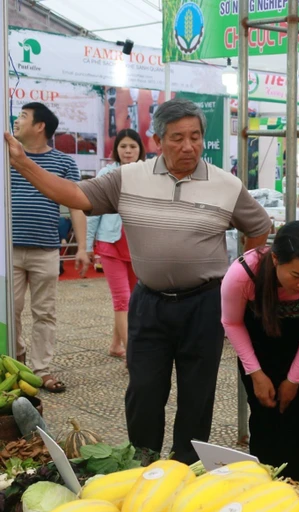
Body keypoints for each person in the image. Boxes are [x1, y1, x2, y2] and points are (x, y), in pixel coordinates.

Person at [4, 98, 272, 464]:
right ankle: (142, 463)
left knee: (198, 394)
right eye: (178, 138)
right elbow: (73, 195)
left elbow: (259, 228)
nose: (188, 146)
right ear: (158, 140)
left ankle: (187, 469)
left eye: (195, 137)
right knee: (144, 391)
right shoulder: (129, 177)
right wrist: (21, 162)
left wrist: (240, 280)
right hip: (150, 303)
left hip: (204, 304)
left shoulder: (227, 185)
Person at [221, 221, 299, 482]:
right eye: (297, 276)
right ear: (275, 259)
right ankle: (262, 484)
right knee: (264, 416)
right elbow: (232, 322)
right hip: (259, 351)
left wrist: (295, 379)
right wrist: (256, 373)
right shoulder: (242, 274)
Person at [11, 102, 89, 393]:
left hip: (45, 249)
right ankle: (16, 359)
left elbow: (76, 206)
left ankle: (40, 369)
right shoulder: (7, 157)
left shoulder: (64, 163)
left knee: (44, 312)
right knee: (10, 308)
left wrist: (82, 247)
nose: (16, 121)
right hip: (9, 253)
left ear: (40, 126)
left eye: (23, 116)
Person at [86, 129, 144, 360]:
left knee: (131, 298)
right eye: (123, 147)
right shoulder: (106, 173)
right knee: (122, 299)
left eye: (132, 146)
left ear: (140, 149)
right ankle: (132, 354)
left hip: (137, 245)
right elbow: (92, 212)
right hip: (110, 242)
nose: (128, 151)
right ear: (116, 150)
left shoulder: (146, 174)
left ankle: (115, 345)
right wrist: (88, 245)